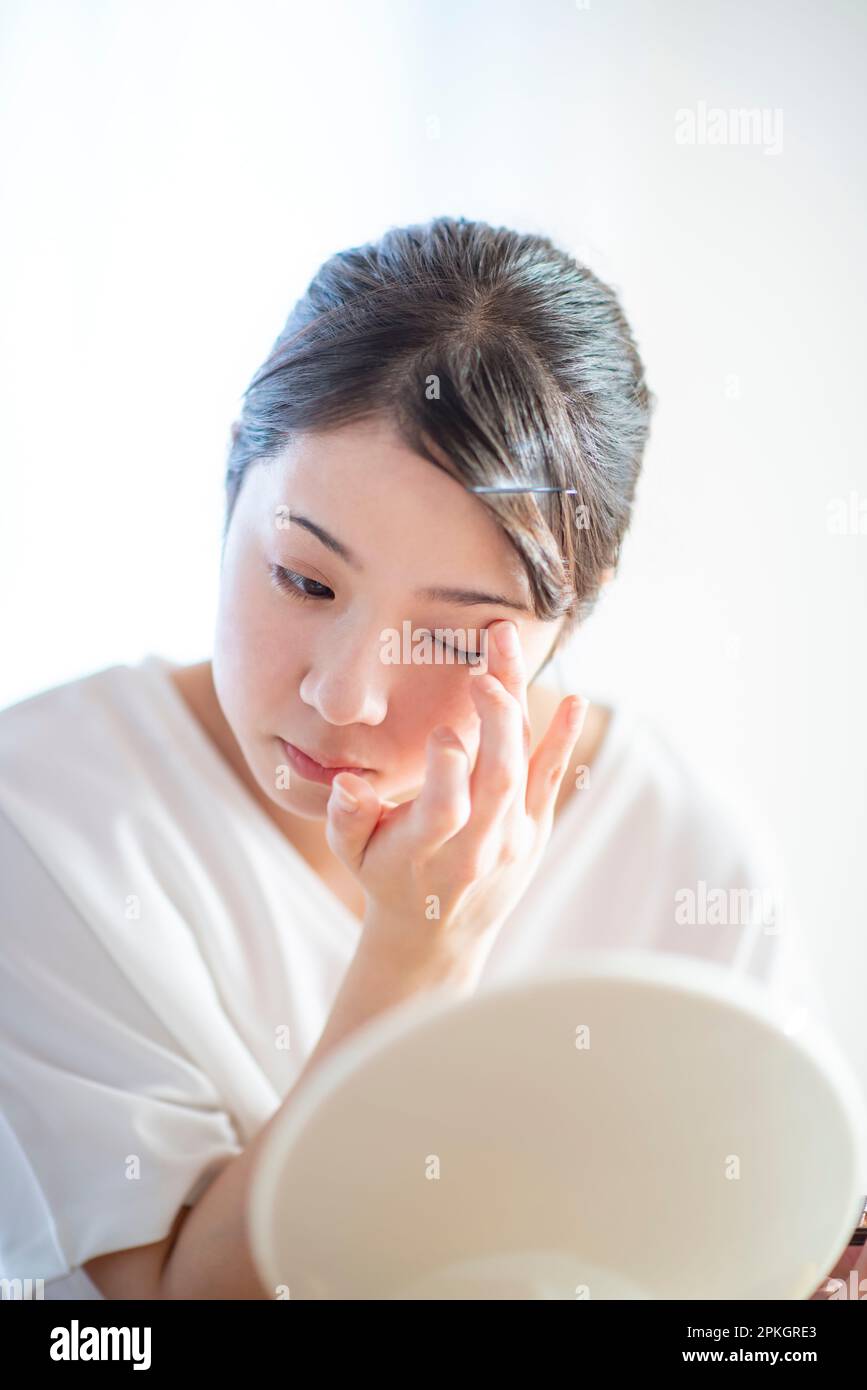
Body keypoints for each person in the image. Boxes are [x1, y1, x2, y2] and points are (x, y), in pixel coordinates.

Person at [0, 216, 821, 1301]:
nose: (344, 695)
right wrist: (415, 953)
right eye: (303, 579)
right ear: (230, 492)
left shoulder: (680, 853)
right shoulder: (47, 818)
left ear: (568, 625)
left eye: (449, 634)